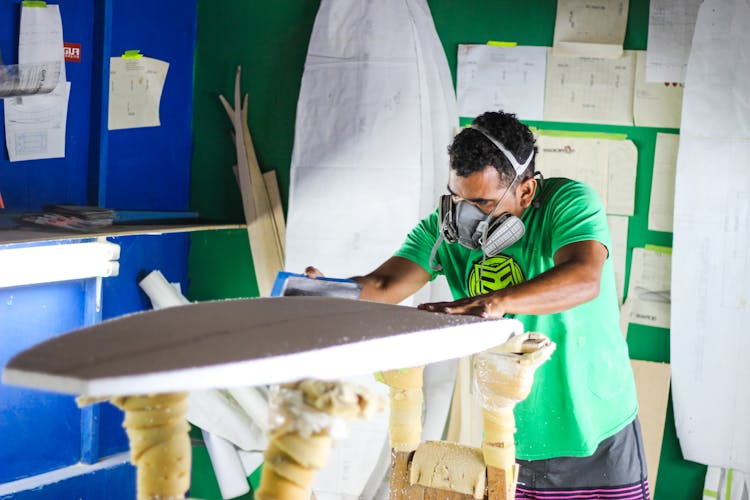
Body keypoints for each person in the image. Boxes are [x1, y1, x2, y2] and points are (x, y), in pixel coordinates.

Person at [306, 110, 648, 499]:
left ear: (526, 191)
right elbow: (384, 284)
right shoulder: (443, 230)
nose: (464, 215)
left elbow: (584, 277)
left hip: (593, 432)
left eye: (482, 202)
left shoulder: (567, 203)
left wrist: (493, 302)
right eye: (457, 198)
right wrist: (326, 295)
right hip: (508, 436)